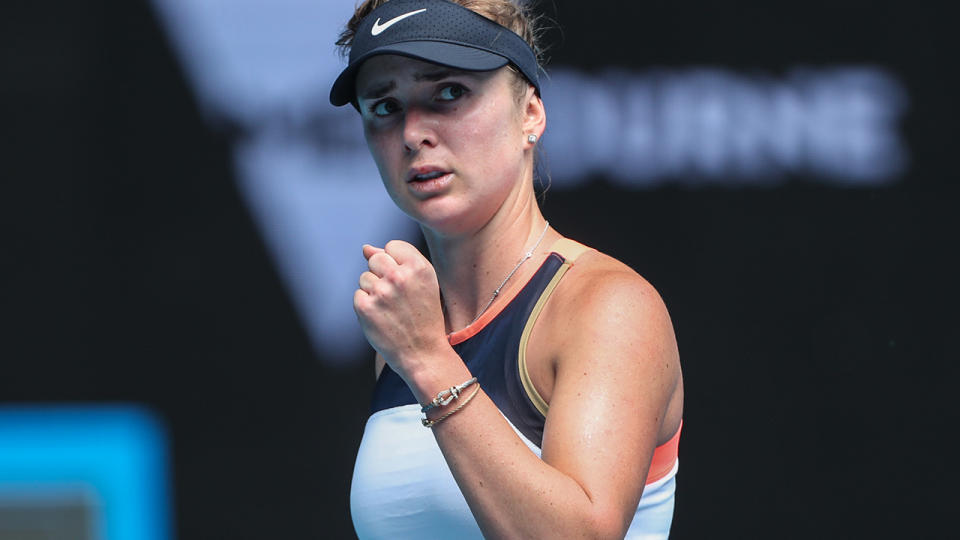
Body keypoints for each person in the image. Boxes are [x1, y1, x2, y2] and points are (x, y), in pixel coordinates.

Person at [329, 0, 684, 538]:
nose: (412, 133)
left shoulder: (608, 306)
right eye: (384, 106)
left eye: (449, 93)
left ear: (530, 114)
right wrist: (422, 352)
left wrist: (429, 361)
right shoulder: (410, 335)